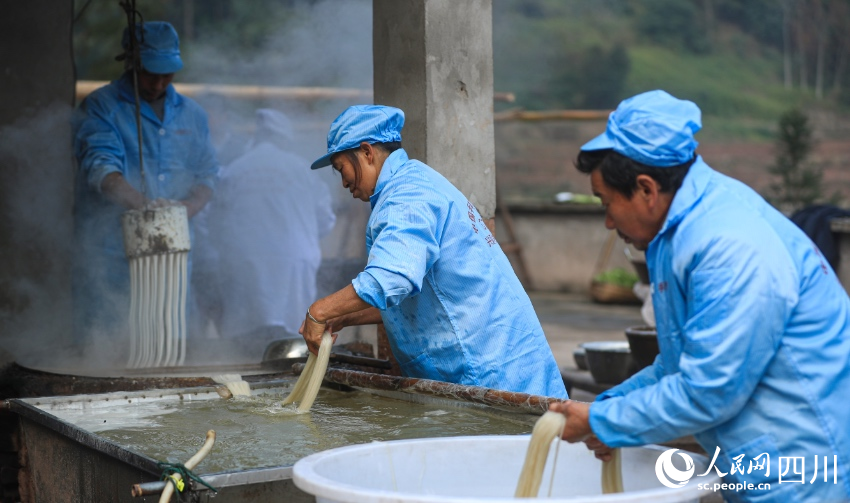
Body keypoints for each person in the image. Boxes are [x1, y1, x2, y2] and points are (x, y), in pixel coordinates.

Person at [550, 90, 850, 502]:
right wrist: (609, 405)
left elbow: (710, 390)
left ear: (646, 188)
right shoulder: (680, 230)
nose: (607, 221)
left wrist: (603, 421)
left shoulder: (728, 245)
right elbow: (679, 365)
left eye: (607, 203)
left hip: (804, 471)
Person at [300, 105, 567, 398]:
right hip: (495, 361)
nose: (344, 182)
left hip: (486, 369)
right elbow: (418, 294)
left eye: (341, 168)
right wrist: (345, 317)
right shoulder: (415, 182)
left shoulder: (408, 196)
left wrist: (319, 311)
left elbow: (393, 278)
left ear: (366, 152)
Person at [72, 21, 218, 347]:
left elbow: (208, 174)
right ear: (131, 63)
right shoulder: (102, 107)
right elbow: (101, 167)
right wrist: (145, 206)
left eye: (168, 73)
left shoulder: (192, 114)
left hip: (174, 253)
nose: (160, 82)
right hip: (111, 256)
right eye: (152, 72)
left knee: (169, 342)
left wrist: (185, 210)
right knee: (109, 346)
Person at [207, 109, 336, 361]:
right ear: (284, 139)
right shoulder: (301, 169)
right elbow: (325, 220)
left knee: (248, 338)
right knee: (295, 335)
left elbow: (216, 224)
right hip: (294, 264)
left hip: (245, 263)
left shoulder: (234, 170)